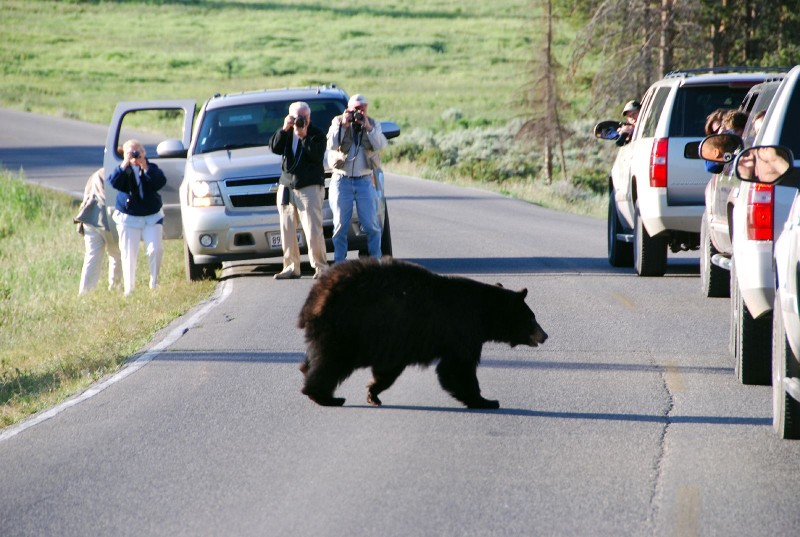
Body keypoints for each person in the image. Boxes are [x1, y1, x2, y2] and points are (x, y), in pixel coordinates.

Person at [269, 101, 328, 280]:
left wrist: (303, 137)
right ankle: (291, 267)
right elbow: (274, 147)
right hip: (287, 186)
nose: (301, 120)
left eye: (304, 117)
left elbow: (317, 154)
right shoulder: (286, 132)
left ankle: (320, 267)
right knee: (286, 228)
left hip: (309, 187)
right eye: (297, 117)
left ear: (310, 117)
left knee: (312, 230)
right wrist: (285, 128)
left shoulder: (317, 134)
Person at [326, 94, 388, 262]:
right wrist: (344, 125)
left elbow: (381, 145)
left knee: (372, 225)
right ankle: (340, 262)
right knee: (340, 225)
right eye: (356, 109)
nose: (359, 112)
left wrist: (368, 127)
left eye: (363, 109)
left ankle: (375, 260)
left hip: (364, 180)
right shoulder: (338, 121)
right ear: (348, 108)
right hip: (341, 180)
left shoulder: (373, 123)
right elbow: (331, 144)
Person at [106, 139, 167, 296]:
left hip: (151, 216)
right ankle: (129, 288)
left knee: (155, 249)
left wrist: (144, 166)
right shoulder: (123, 170)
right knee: (128, 253)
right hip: (129, 217)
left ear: (144, 153)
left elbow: (160, 182)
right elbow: (113, 182)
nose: (134, 154)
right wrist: (125, 163)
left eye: (137, 151)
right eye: (130, 152)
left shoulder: (150, 168)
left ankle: (154, 283)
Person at [74, 168, 122, 294]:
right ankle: (115, 289)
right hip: (107, 221)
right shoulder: (118, 174)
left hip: (89, 219)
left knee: (92, 256)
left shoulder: (96, 174)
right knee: (116, 254)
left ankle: (85, 293)